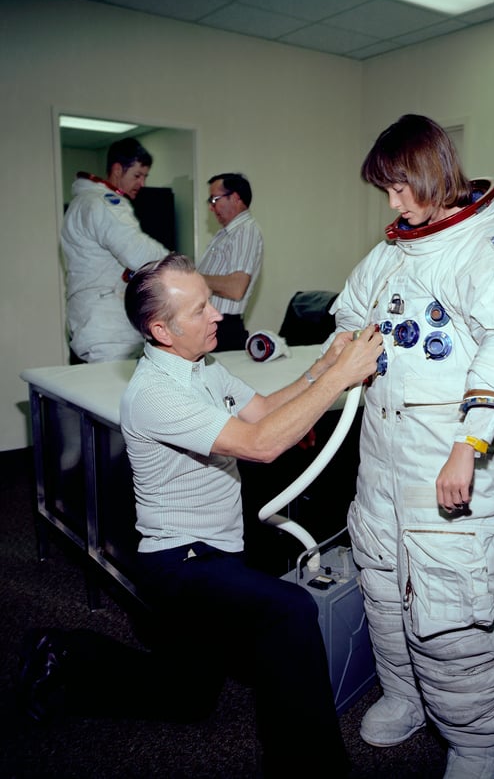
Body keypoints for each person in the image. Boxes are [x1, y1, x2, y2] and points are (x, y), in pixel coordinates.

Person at [18, 253, 383, 779]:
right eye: (199, 310)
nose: (216, 315)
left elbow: (263, 411)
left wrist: (326, 367)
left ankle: (64, 654)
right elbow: (260, 444)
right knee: (289, 610)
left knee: (187, 697)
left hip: (220, 550)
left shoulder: (203, 368)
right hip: (178, 564)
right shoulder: (154, 394)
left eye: (210, 302)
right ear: (161, 329)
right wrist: (343, 377)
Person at [327, 115, 494, 778]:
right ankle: (407, 697)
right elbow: (349, 326)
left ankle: (487, 737)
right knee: (383, 591)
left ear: (433, 172)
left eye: (402, 186)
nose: (395, 203)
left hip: (454, 465)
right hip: (382, 469)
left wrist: (470, 442)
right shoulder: (391, 254)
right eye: (387, 191)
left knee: (453, 614)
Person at [61, 136, 169, 363]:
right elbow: (139, 253)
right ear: (118, 170)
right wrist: (178, 266)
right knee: (111, 395)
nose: (142, 183)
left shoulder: (83, 203)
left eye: (145, 176)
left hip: (93, 321)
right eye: (137, 175)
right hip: (107, 328)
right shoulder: (103, 203)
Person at [197, 172, 263, 351]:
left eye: (214, 199)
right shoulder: (226, 234)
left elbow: (236, 288)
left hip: (223, 330)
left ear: (235, 198)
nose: (211, 207)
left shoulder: (246, 231)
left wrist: (191, 278)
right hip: (212, 326)